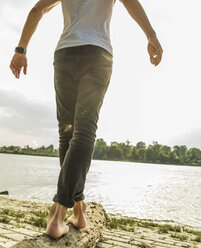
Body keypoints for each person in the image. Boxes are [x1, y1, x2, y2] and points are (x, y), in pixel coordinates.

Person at [9, 0, 163, 239]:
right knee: (84, 131)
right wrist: (151, 36)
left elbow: (37, 9)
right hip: (97, 53)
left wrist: (20, 49)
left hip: (65, 54)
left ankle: (78, 210)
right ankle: (58, 212)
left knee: (67, 134)